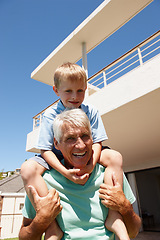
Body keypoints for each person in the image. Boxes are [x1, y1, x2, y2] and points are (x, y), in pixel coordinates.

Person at [21, 63, 125, 239]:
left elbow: (97, 142)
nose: (75, 96)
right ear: (56, 90)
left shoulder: (91, 111)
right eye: (68, 91)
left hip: (88, 151)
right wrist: (65, 172)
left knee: (115, 156)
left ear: (86, 89)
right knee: (27, 169)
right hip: (56, 153)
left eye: (80, 91)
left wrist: (91, 166)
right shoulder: (49, 115)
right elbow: (45, 149)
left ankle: (114, 214)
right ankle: (52, 225)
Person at [19, 109, 141, 240]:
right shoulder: (43, 180)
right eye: (70, 138)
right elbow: (24, 237)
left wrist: (125, 207)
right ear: (56, 144)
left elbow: (133, 232)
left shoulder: (110, 173)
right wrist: (42, 219)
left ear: (92, 138)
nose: (81, 145)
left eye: (85, 136)